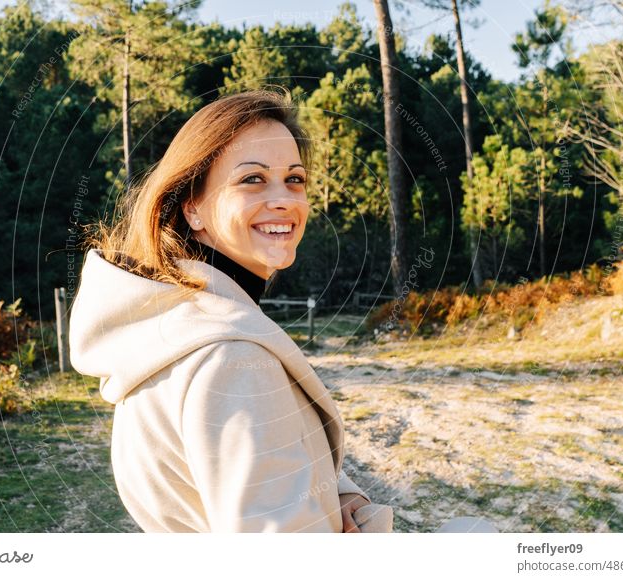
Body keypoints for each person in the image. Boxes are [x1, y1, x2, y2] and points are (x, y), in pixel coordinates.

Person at [68, 89, 393, 533]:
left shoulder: (170, 327)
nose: (284, 199)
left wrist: (338, 493)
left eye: (294, 179)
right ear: (193, 208)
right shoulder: (229, 360)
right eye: (252, 179)